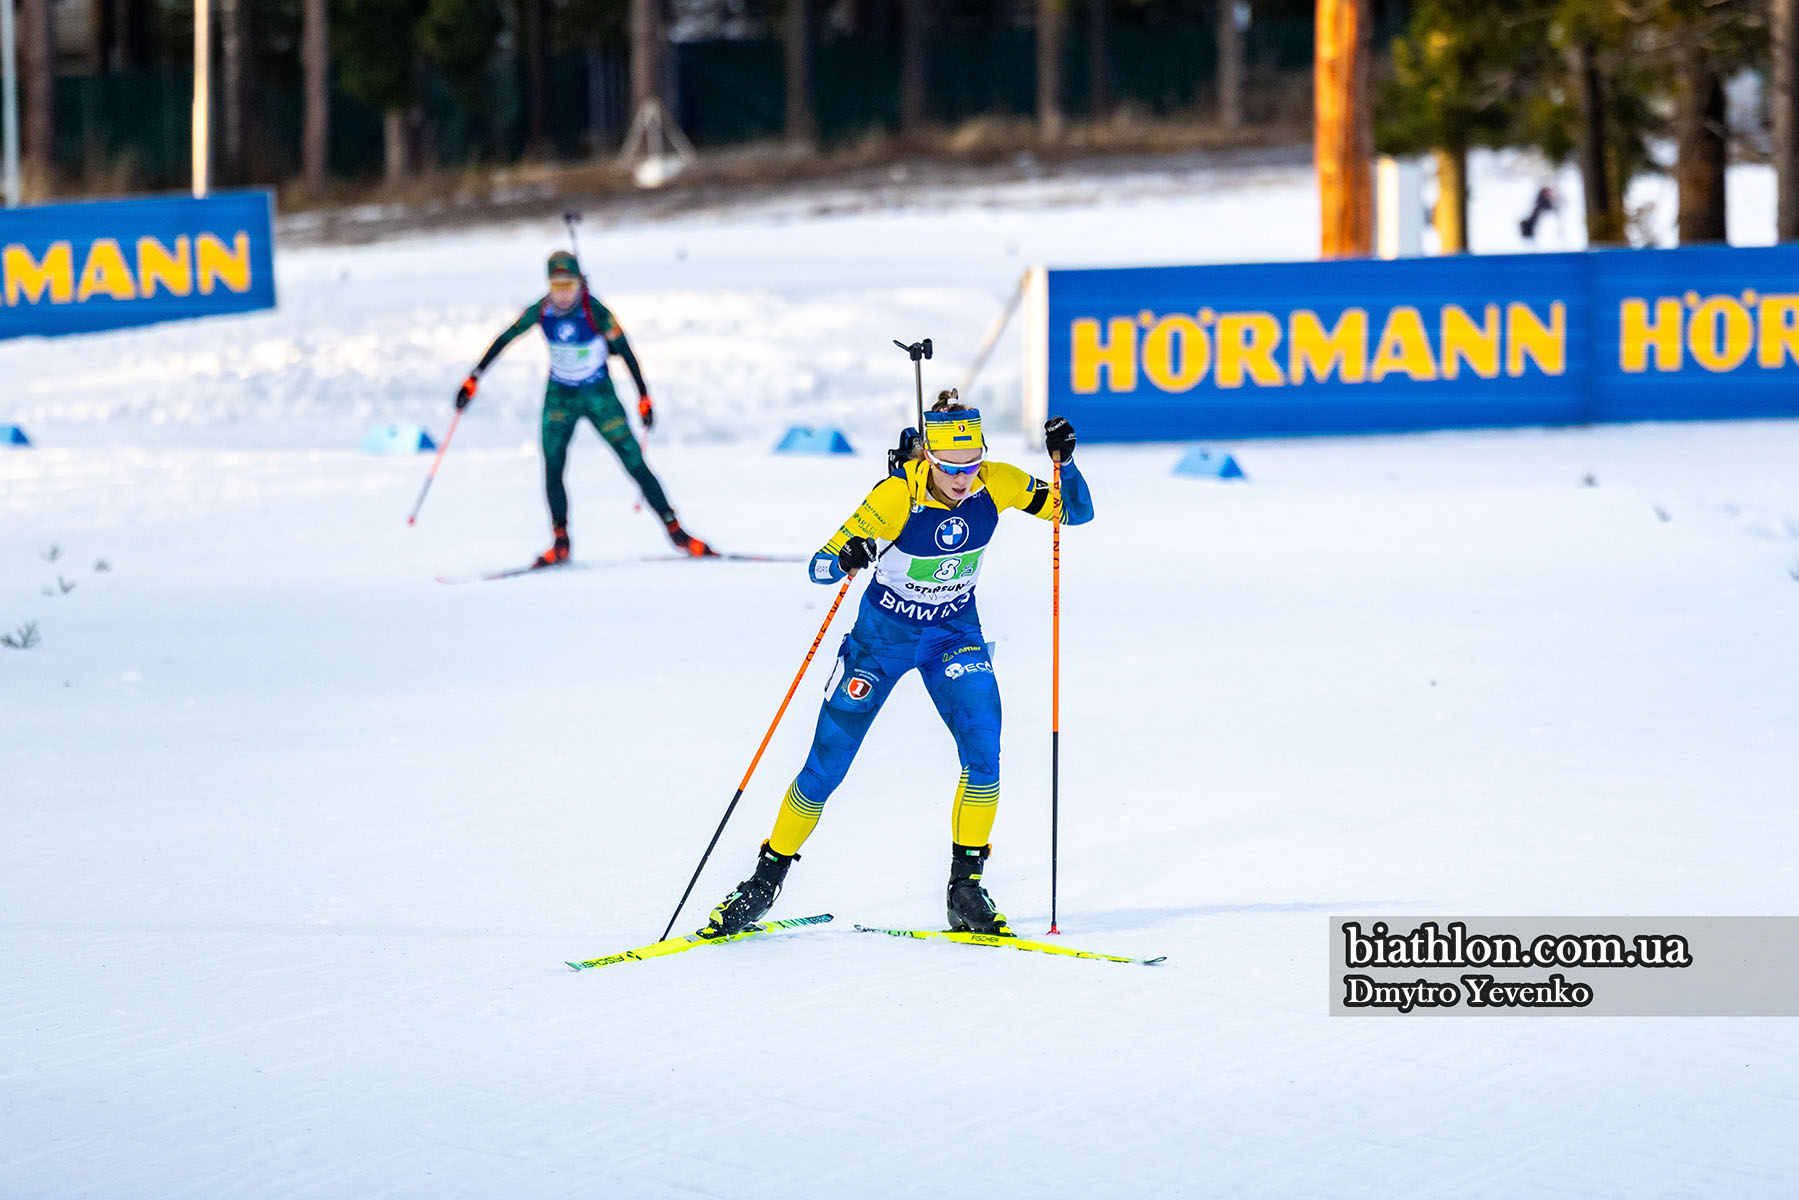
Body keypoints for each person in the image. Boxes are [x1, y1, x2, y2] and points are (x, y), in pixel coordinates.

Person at [700, 399, 1094, 938]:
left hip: (953, 637)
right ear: (929, 457)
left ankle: (966, 890)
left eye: (972, 462)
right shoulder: (894, 497)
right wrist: (848, 556)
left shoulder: (997, 483)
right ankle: (762, 882)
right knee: (825, 767)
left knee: (984, 754)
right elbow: (819, 565)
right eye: (951, 466)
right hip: (880, 643)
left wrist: (1064, 465)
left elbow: (1076, 513)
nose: (962, 477)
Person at [454, 250, 714, 565]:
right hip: (560, 396)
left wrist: (643, 396)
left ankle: (677, 531)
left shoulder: (596, 312)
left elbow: (627, 351)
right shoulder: (542, 310)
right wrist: (474, 378)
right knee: (552, 465)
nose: (563, 294)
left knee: (633, 462)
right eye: (557, 286)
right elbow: (505, 338)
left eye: (569, 286)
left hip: (599, 395)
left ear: (580, 283)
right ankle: (560, 541)